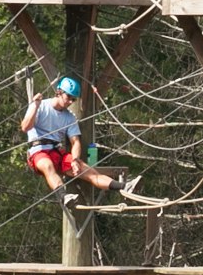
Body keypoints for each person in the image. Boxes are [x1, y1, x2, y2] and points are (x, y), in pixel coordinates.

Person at [21, 76, 136, 206]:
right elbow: (25, 127)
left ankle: (124, 186)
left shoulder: (70, 118)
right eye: (68, 97)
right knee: (48, 165)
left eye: (73, 99)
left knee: (89, 171)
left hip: (57, 152)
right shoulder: (40, 106)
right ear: (59, 92)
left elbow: (75, 142)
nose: (70, 102)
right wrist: (35, 106)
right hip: (38, 151)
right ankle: (64, 197)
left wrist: (75, 160)